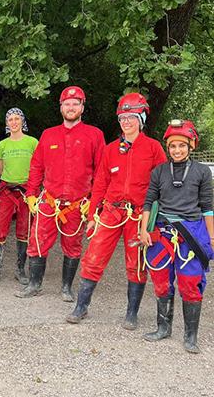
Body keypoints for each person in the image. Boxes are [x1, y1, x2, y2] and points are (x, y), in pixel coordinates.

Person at [66, 93, 166, 329]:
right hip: (111, 212)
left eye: (131, 117)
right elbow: (100, 183)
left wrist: (154, 220)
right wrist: (92, 217)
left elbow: (162, 184)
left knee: (137, 262)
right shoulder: (111, 149)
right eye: (122, 117)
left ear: (140, 119)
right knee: (93, 257)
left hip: (139, 213)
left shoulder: (153, 148)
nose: (126, 122)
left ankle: (132, 313)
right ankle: (81, 306)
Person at [19, 86, 105, 300]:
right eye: (67, 104)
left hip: (77, 203)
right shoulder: (49, 135)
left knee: (73, 245)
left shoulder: (94, 135)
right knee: (37, 241)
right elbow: (36, 166)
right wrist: (31, 194)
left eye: (76, 104)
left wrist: (95, 202)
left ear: (82, 107)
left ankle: (66, 287)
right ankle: (34, 284)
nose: (71, 107)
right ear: (61, 107)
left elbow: (102, 172)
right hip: (49, 201)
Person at [140, 119, 213, 354]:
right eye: (172, 146)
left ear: (191, 145)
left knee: (190, 282)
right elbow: (149, 201)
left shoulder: (202, 172)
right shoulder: (159, 171)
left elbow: (208, 207)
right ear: (167, 148)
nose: (177, 150)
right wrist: (143, 230)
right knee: (161, 279)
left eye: (182, 145)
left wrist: (211, 238)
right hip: (162, 233)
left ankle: (190, 336)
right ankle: (163, 328)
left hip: (191, 233)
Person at [0, 108, 38, 285]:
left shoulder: (32, 142)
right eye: (10, 120)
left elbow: (38, 167)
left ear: (22, 121)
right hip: (6, 190)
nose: (13, 122)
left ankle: (21, 270)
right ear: (7, 123)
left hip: (26, 191)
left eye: (16, 119)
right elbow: (1, 169)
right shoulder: (2, 145)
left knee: (24, 230)